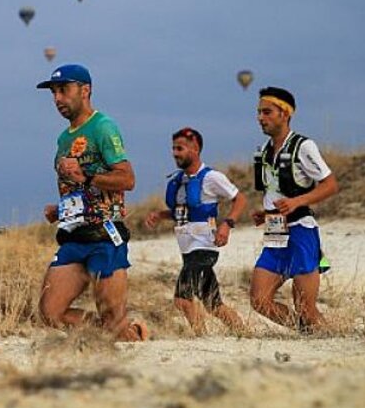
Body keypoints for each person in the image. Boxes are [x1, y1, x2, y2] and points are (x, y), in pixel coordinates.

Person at [36, 64, 149, 342]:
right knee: (50, 313)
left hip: (104, 236)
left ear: (85, 91)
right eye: (53, 93)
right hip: (74, 237)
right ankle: (118, 330)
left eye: (63, 90)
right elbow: (75, 188)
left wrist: (85, 176)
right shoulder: (64, 138)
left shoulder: (103, 127)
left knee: (113, 322)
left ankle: (127, 333)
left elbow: (127, 179)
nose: (57, 99)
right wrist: (60, 210)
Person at [249, 87, 339, 333]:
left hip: (301, 230)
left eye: (267, 112)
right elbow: (276, 191)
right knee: (259, 300)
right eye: (258, 112)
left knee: (306, 308)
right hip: (275, 232)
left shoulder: (304, 146)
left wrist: (297, 202)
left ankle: (328, 337)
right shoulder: (264, 151)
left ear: (285, 113)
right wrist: (266, 214)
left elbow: (331, 185)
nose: (260, 117)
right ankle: (309, 333)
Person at [144, 127, 247, 335]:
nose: (175, 153)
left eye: (180, 148)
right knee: (213, 304)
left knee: (182, 299)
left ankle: (201, 337)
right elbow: (184, 212)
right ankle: (244, 333)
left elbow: (240, 199)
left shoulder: (212, 177)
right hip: (188, 249)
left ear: (196, 149)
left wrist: (227, 224)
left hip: (203, 248)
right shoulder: (179, 181)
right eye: (173, 148)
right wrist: (161, 215)